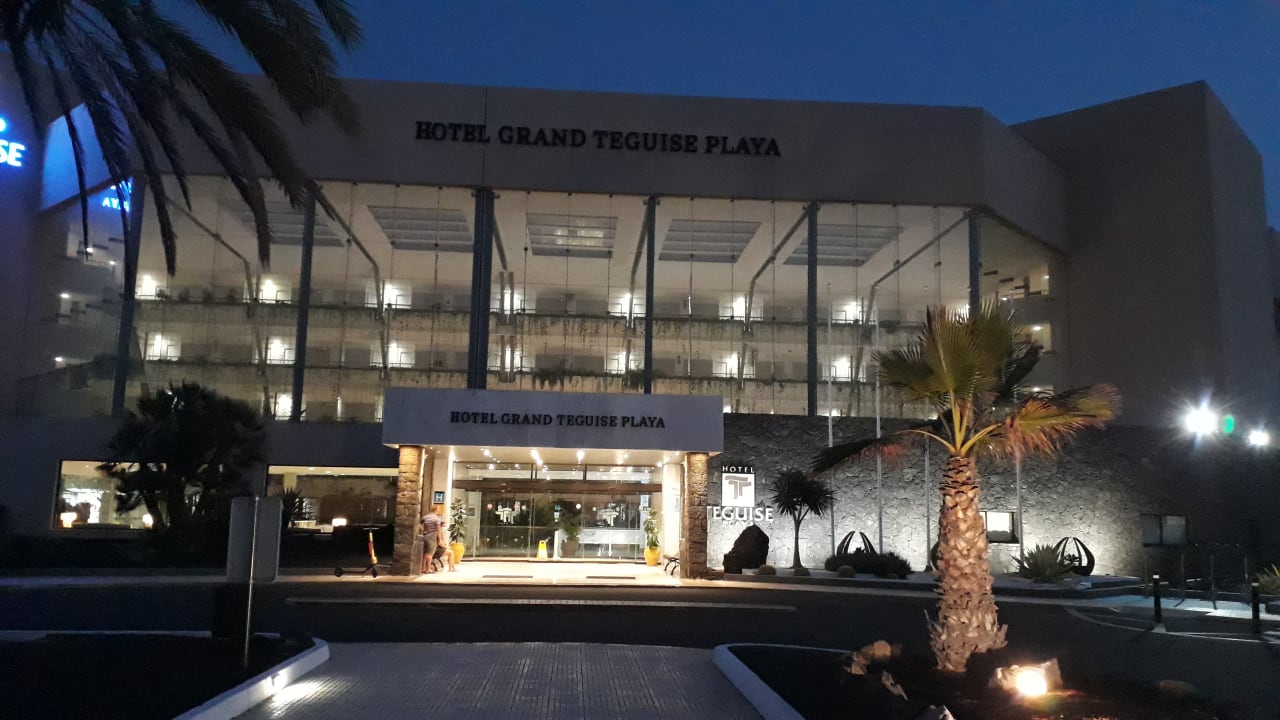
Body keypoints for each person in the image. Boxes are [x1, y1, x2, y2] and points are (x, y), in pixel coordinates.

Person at [421, 504, 443, 573]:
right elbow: (438, 530)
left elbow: (419, 524)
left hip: (425, 537)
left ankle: (423, 568)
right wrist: (440, 540)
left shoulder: (425, 517)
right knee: (430, 554)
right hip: (432, 538)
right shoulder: (436, 519)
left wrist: (423, 530)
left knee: (424, 554)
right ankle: (428, 569)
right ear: (436, 510)